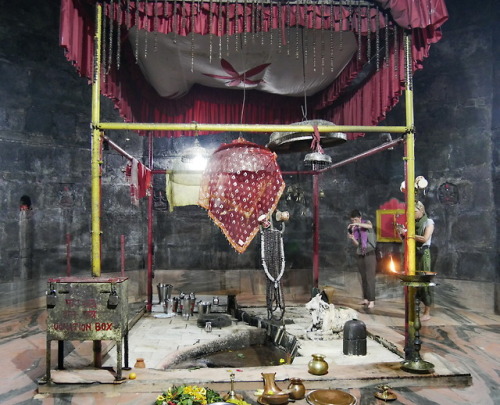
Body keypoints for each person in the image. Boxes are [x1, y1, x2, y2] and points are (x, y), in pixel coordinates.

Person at [347, 209, 377, 309]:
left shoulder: (366, 223)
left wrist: (357, 224)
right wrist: (352, 238)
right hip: (361, 253)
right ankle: (366, 299)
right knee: (363, 278)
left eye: (355, 219)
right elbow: (357, 245)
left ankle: (372, 300)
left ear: (360, 218)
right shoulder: (356, 229)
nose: (354, 222)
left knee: (370, 278)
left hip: (369, 253)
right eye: (352, 220)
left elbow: (370, 226)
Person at [414, 201, 435, 321]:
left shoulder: (429, 222)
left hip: (424, 253)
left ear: (421, 210)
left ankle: (427, 312)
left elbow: (424, 238)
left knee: (424, 280)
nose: (413, 214)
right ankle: (416, 308)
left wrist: (409, 233)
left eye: (415, 212)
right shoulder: (412, 223)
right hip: (414, 253)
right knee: (415, 280)